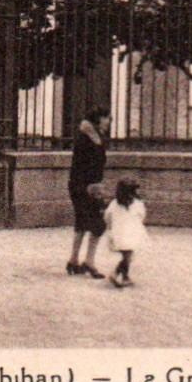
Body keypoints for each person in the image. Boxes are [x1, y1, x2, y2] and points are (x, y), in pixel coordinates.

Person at [66, 106, 111, 278]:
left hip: (82, 186)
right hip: (84, 188)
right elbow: (82, 166)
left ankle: (73, 261)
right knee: (98, 225)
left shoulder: (94, 137)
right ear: (99, 118)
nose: (108, 122)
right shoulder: (86, 139)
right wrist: (92, 188)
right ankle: (88, 262)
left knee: (82, 223)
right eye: (107, 118)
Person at [102, 179, 150, 288]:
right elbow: (142, 216)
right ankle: (115, 274)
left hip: (118, 233)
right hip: (130, 234)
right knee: (128, 257)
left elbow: (107, 217)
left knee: (127, 256)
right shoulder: (138, 204)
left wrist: (112, 226)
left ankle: (125, 277)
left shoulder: (114, 204)